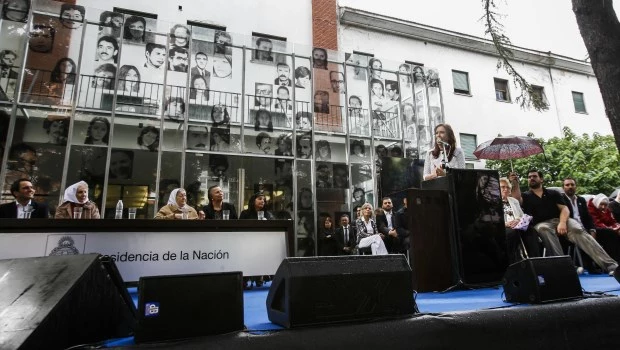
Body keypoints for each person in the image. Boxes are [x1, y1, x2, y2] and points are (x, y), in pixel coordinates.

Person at [518, 169, 620, 281]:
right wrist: (514, 183)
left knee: (577, 229)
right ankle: (563, 266)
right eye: (529, 177)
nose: (531, 178)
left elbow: (565, 209)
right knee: (544, 229)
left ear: (541, 179)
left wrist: (562, 223)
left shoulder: (553, 193)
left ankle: (612, 267)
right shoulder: (525, 196)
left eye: (534, 176)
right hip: (542, 224)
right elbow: (516, 199)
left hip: (561, 220)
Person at [500, 177, 541, 263]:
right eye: (502, 187)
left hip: (518, 226)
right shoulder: (492, 202)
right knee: (512, 233)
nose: (506, 189)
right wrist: (506, 224)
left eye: (508, 187)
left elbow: (521, 215)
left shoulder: (514, 201)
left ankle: (535, 261)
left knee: (531, 231)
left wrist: (518, 220)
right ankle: (513, 263)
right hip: (504, 227)